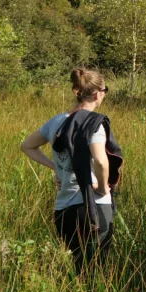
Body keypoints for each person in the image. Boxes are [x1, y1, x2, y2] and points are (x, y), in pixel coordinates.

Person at [20, 68, 122, 272]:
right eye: (105, 90)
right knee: (96, 269)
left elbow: (27, 145)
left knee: (78, 265)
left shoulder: (56, 121)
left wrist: (56, 168)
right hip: (93, 206)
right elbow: (101, 162)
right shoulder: (94, 124)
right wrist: (102, 188)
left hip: (63, 210)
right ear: (97, 94)